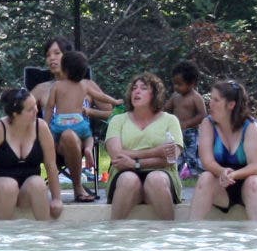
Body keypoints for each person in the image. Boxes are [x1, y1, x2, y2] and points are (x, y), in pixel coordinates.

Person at [29, 36, 103, 202]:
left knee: (69, 135)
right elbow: (20, 112)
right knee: (65, 135)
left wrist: (88, 111)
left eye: (57, 53)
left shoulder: (86, 85)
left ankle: (77, 187)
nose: (51, 58)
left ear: (69, 57)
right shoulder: (42, 89)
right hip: (50, 142)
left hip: (80, 139)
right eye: (48, 55)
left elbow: (110, 111)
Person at [189, 80, 257, 222]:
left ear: (231, 105)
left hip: (254, 182)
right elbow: (207, 161)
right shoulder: (208, 123)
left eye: (216, 100)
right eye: (211, 99)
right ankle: (192, 231)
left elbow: (256, 166)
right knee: (205, 178)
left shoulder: (250, 126)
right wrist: (222, 172)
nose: (210, 104)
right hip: (222, 183)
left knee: (252, 183)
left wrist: (233, 174)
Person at [0, 88, 64, 221]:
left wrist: (57, 199)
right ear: (16, 114)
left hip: (26, 190)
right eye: (30, 109)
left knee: (38, 183)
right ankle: (6, 235)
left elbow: (51, 164)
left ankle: (45, 235)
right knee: (9, 186)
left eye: (35, 106)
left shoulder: (41, 127)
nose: (36, 111)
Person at [105, 73, 183, 221]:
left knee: (156, 179)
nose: (137, 91)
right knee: (128, 179)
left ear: (155, 94)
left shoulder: (170, 120)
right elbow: (117, 156)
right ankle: (114, 236)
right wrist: (156, 152)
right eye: (134, 88)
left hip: (162, 175)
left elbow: (171, 158)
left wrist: (134, 163)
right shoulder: (117, 120)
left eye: (143, 88)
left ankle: (169, 236)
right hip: (124, 175)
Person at [45, 50, 122, 195]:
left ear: (64, 69)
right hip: (78, 121)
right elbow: (102, 96)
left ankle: (53, 154)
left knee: (53, 138)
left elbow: (49, 107)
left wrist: (46, 125)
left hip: (60, 123)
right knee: (89, 136)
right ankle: (88, 149)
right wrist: (115, 101)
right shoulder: (84, 86)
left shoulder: (57, 86)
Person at [164, 60, 206, 177]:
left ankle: (196, 173)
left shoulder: (195, 97)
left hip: (191, 133)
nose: (176, 87)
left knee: (192, 154)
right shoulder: (175, 96)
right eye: (174, 83)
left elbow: (202, 115)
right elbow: (167, 108)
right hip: (176, 132)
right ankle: (176, 172)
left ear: (191, 83)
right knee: (177, 153)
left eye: (179, 84)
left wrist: (187, 123)